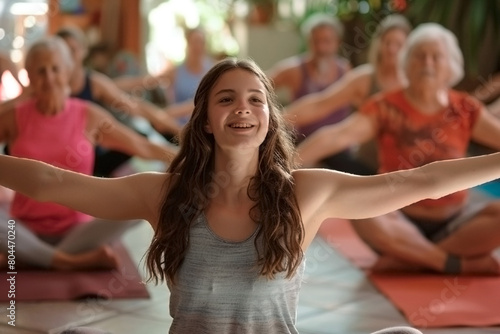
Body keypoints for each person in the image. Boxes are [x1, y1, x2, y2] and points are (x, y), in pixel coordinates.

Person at [1, 57, 499, 333]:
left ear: (268, 119)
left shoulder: (307, 193)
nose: (243, 108)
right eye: (226, 98)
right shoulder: (165, 195)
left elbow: (412, 183)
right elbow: (55, 183)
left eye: (255, 99)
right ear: (207, 121)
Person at [297, 23, 500, 275]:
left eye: (436, 56)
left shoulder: (465, 108)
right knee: (362, 212)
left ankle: (410, 258)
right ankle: (451, 263)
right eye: (419, 55)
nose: (427, 62)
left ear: (451, 66)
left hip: (457, 223)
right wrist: (283, 166)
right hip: (396, 220)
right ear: (406, 63)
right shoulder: (385, 106)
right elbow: (336, 136)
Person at [0, 36, 177, 271]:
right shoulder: (15, 116)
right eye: (41, 71)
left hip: (79, 231)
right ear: (30, 76)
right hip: (22, 227)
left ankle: (31, 257)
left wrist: (193, 158)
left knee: (149, 196)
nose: (49, 77)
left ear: (68, 72)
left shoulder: (88, 116)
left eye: (55, 69)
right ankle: (70, 261)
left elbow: (141, 146)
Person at [283, 14, 411, 172]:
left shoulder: (415, 86)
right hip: (366, 167)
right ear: (379, 45)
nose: (392, 49)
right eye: (387, 43)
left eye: (398, 44)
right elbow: (319, 105)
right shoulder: (364, 79)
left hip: (402, 171)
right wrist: (273, 121)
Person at [55, 26, 181, 176]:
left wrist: (178, 130)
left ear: (83, 51)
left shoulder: (95, 83)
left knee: (140, 139)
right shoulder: (47, 86)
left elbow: (135, 106)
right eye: (63, 52)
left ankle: (185, 158)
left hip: (95, 153)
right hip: (62, 155)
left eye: (72, 51)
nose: (68, 57)